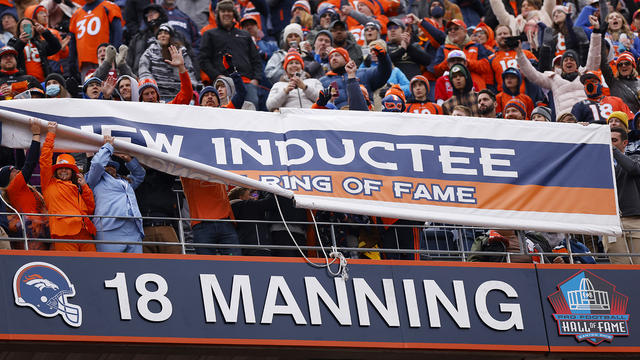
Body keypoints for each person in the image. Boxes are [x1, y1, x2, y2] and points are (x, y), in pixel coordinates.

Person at [517, 24, 601, 117]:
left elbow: (594, 56)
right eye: (565, 60)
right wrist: (519, 53)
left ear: (577, 64)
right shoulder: (553, 79)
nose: (569, 62)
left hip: (586, 119)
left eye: (572, 60)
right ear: (561, 66)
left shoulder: (585, 76)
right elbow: (532, 75)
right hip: (565, 122)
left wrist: (596, 33)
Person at [39, 121, 96, 251]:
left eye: (67, 168)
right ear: (55, 171)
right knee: (69, 269)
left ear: (73, 171)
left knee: (92, 267)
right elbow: (45, 160)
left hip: (85, 233)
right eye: (60, 168)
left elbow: (90, 209)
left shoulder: (78, 188)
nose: (63, 170)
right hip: (63, 233)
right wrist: (51, 134)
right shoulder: (49, 183)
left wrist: (85, 187)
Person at [85, 135, 145, 253]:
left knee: (136, 267)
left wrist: (129, 159)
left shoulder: (125, 182)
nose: (110, 168)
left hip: (133, 229)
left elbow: (139, 175)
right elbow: (97, 164)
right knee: (109, 267)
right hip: (109, 228)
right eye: (107, 165)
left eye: (113, 166)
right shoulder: (94, 180)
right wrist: (108, 146)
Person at [199, 0, 262, 108]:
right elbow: (203, 60)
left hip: (246, 82)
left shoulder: (245, 35)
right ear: (218, 14)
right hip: (223, 83)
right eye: (223, 11)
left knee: (251, 112)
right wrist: (217, 76)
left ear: (234, 13)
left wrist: (255, 79)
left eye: (229, 11)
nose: (226, 14)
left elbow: (256, 59)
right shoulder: (209, 34)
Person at [0, 118, 49, 250]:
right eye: (13, 171)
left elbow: (22, 164)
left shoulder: (20, 187)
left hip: (38, 230)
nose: (17, 171)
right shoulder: (13, 187)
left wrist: (19, 140)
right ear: (7, 179)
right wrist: (36, 135)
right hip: (31, 233)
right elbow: (29, 164)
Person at [319, 44, 391, 109]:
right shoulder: (323, 81)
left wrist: (383, 57)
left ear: (346, 58)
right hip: (338, 117)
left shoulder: (363, 73)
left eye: (337, 55)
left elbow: (383, 73)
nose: (333, 58)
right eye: (331, 57)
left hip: (364, 114)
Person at [138, 23, 197, 102]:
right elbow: (143, 69)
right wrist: (150, 85)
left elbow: (189, 70)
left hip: (176, 93)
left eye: (166, 33)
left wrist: (192, 85)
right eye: (160, 33)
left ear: (171, 36)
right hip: (155, 94)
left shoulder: (180, 51)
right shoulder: (150, 51)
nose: (163, 35)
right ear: (157, 37)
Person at [68, 0, 123, 78]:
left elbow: (117, 33)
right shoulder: (76, 14)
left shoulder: (109, 7)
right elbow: (73, 42)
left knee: (108, 87)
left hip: (105, 59)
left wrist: (114, 54)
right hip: (85, 63)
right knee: (89, 88)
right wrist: (72, 63)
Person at [610, 126, 640, 264]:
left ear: (625, 143)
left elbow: (633, 168)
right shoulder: (598, 162)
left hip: (633, 221)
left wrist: (613, 150)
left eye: (614, 140)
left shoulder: (635, 157)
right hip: (610, 222)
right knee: (619, 265)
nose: (610, 143)